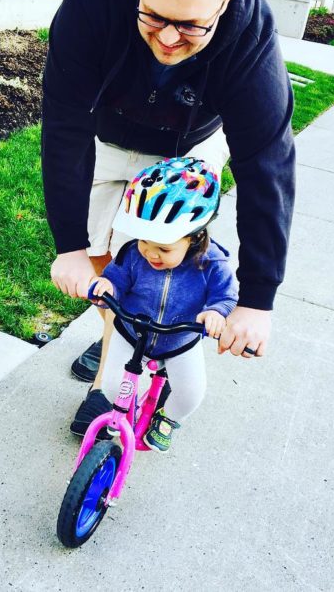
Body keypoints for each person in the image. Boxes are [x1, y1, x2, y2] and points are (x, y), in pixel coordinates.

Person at [41, 0, 295, 431]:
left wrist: (256, 300)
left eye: (192, 25)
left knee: (161, 254)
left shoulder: (251, 37)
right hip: (106, 137)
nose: (170, 38)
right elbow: (64, 124)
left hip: (188, 146)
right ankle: (118, 331)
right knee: (97, 260)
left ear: (225, 1)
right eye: (154, 16)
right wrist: (67, 245)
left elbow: (266, 163)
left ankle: (109, 385)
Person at [89, 157, 237, 452]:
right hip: (132, 332)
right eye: (144, 241)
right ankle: (127, 409)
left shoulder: (211, 264)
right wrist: (108, 286)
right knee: (111, 386)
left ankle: (167, 418)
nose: (149, 253)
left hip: (180, 340)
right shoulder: (133, 253)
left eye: (164, 248)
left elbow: (225, 296)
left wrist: (216, 313)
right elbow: (117, 277)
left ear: (195, 238)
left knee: (191, 394)